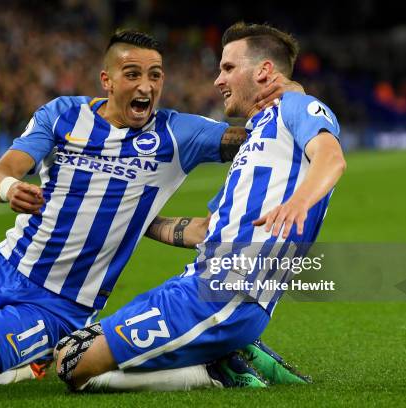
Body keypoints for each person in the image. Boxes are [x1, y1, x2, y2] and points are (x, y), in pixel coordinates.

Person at [0, 30, 296, 385]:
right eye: (132, 75)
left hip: (58, 305)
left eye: (155, 76)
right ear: (107, 80)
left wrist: (291, 98)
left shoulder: (176, 133)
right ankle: (21, 354)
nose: (146, 87)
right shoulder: (63, 115)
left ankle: (35, 360)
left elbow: (250, 136)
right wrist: (10, 189)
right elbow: (0, 172)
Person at [54, 22, 347, 392]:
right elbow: (207, 230)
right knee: (71, 345)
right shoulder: (260, 135)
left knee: (72, 365)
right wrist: (135, 219)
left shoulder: (297, 106)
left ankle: (212, 372)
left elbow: (331, 158)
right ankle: (231, 353)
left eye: (227, 68)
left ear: (264, 71)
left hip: (222, 296)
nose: (217, 80)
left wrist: (298, 202)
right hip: (195, 286)